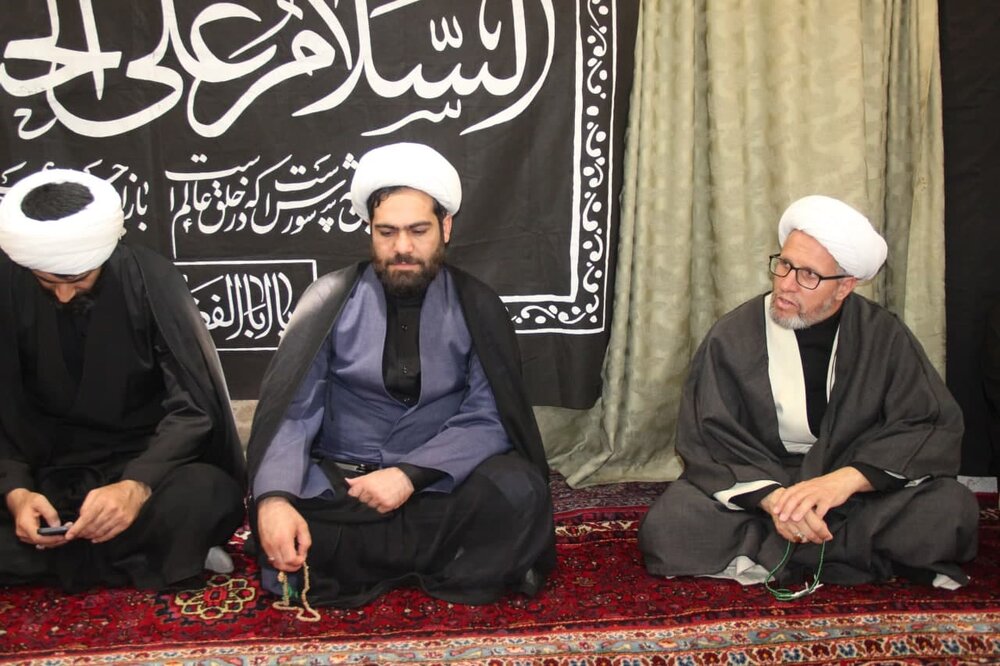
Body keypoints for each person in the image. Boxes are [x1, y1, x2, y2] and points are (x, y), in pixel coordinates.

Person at [247, 142, 555, 608]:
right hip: (346, 489)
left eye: (418, 230)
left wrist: (410, 475)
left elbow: (489, 416)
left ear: (445, 227)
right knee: (283, 514)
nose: (402, 248)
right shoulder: (327, 301)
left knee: (519, 492)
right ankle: (435, 560)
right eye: (387, 232)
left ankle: (368, 562)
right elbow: (292, 413)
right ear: (370, 230)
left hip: (437, 484)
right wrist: (273, 500)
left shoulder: (477, 305)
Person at [638, 195, 978, 590]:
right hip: (762, 483)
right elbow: (709, 436)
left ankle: (777, 553)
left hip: (854, 492)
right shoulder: (733, 335)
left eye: (808, 275)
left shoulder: (883, 336)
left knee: (950, 510)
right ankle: (848, 553)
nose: (786, 284)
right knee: (670, 525)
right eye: (784, 265)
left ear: (845, 286)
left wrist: (842, 482)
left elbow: (926, 424)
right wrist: (776, 501)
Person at [0, 168, 246, 592]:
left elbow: (192, 407)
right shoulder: (7, 283)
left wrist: (136, 485)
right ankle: (150, 556)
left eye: (77, 279)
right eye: (47, 281)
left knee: (210, 493)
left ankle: (54, 561)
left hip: (138, 463)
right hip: (42, 474)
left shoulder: (150, 279)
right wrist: (16, 491)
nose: (63, 295)